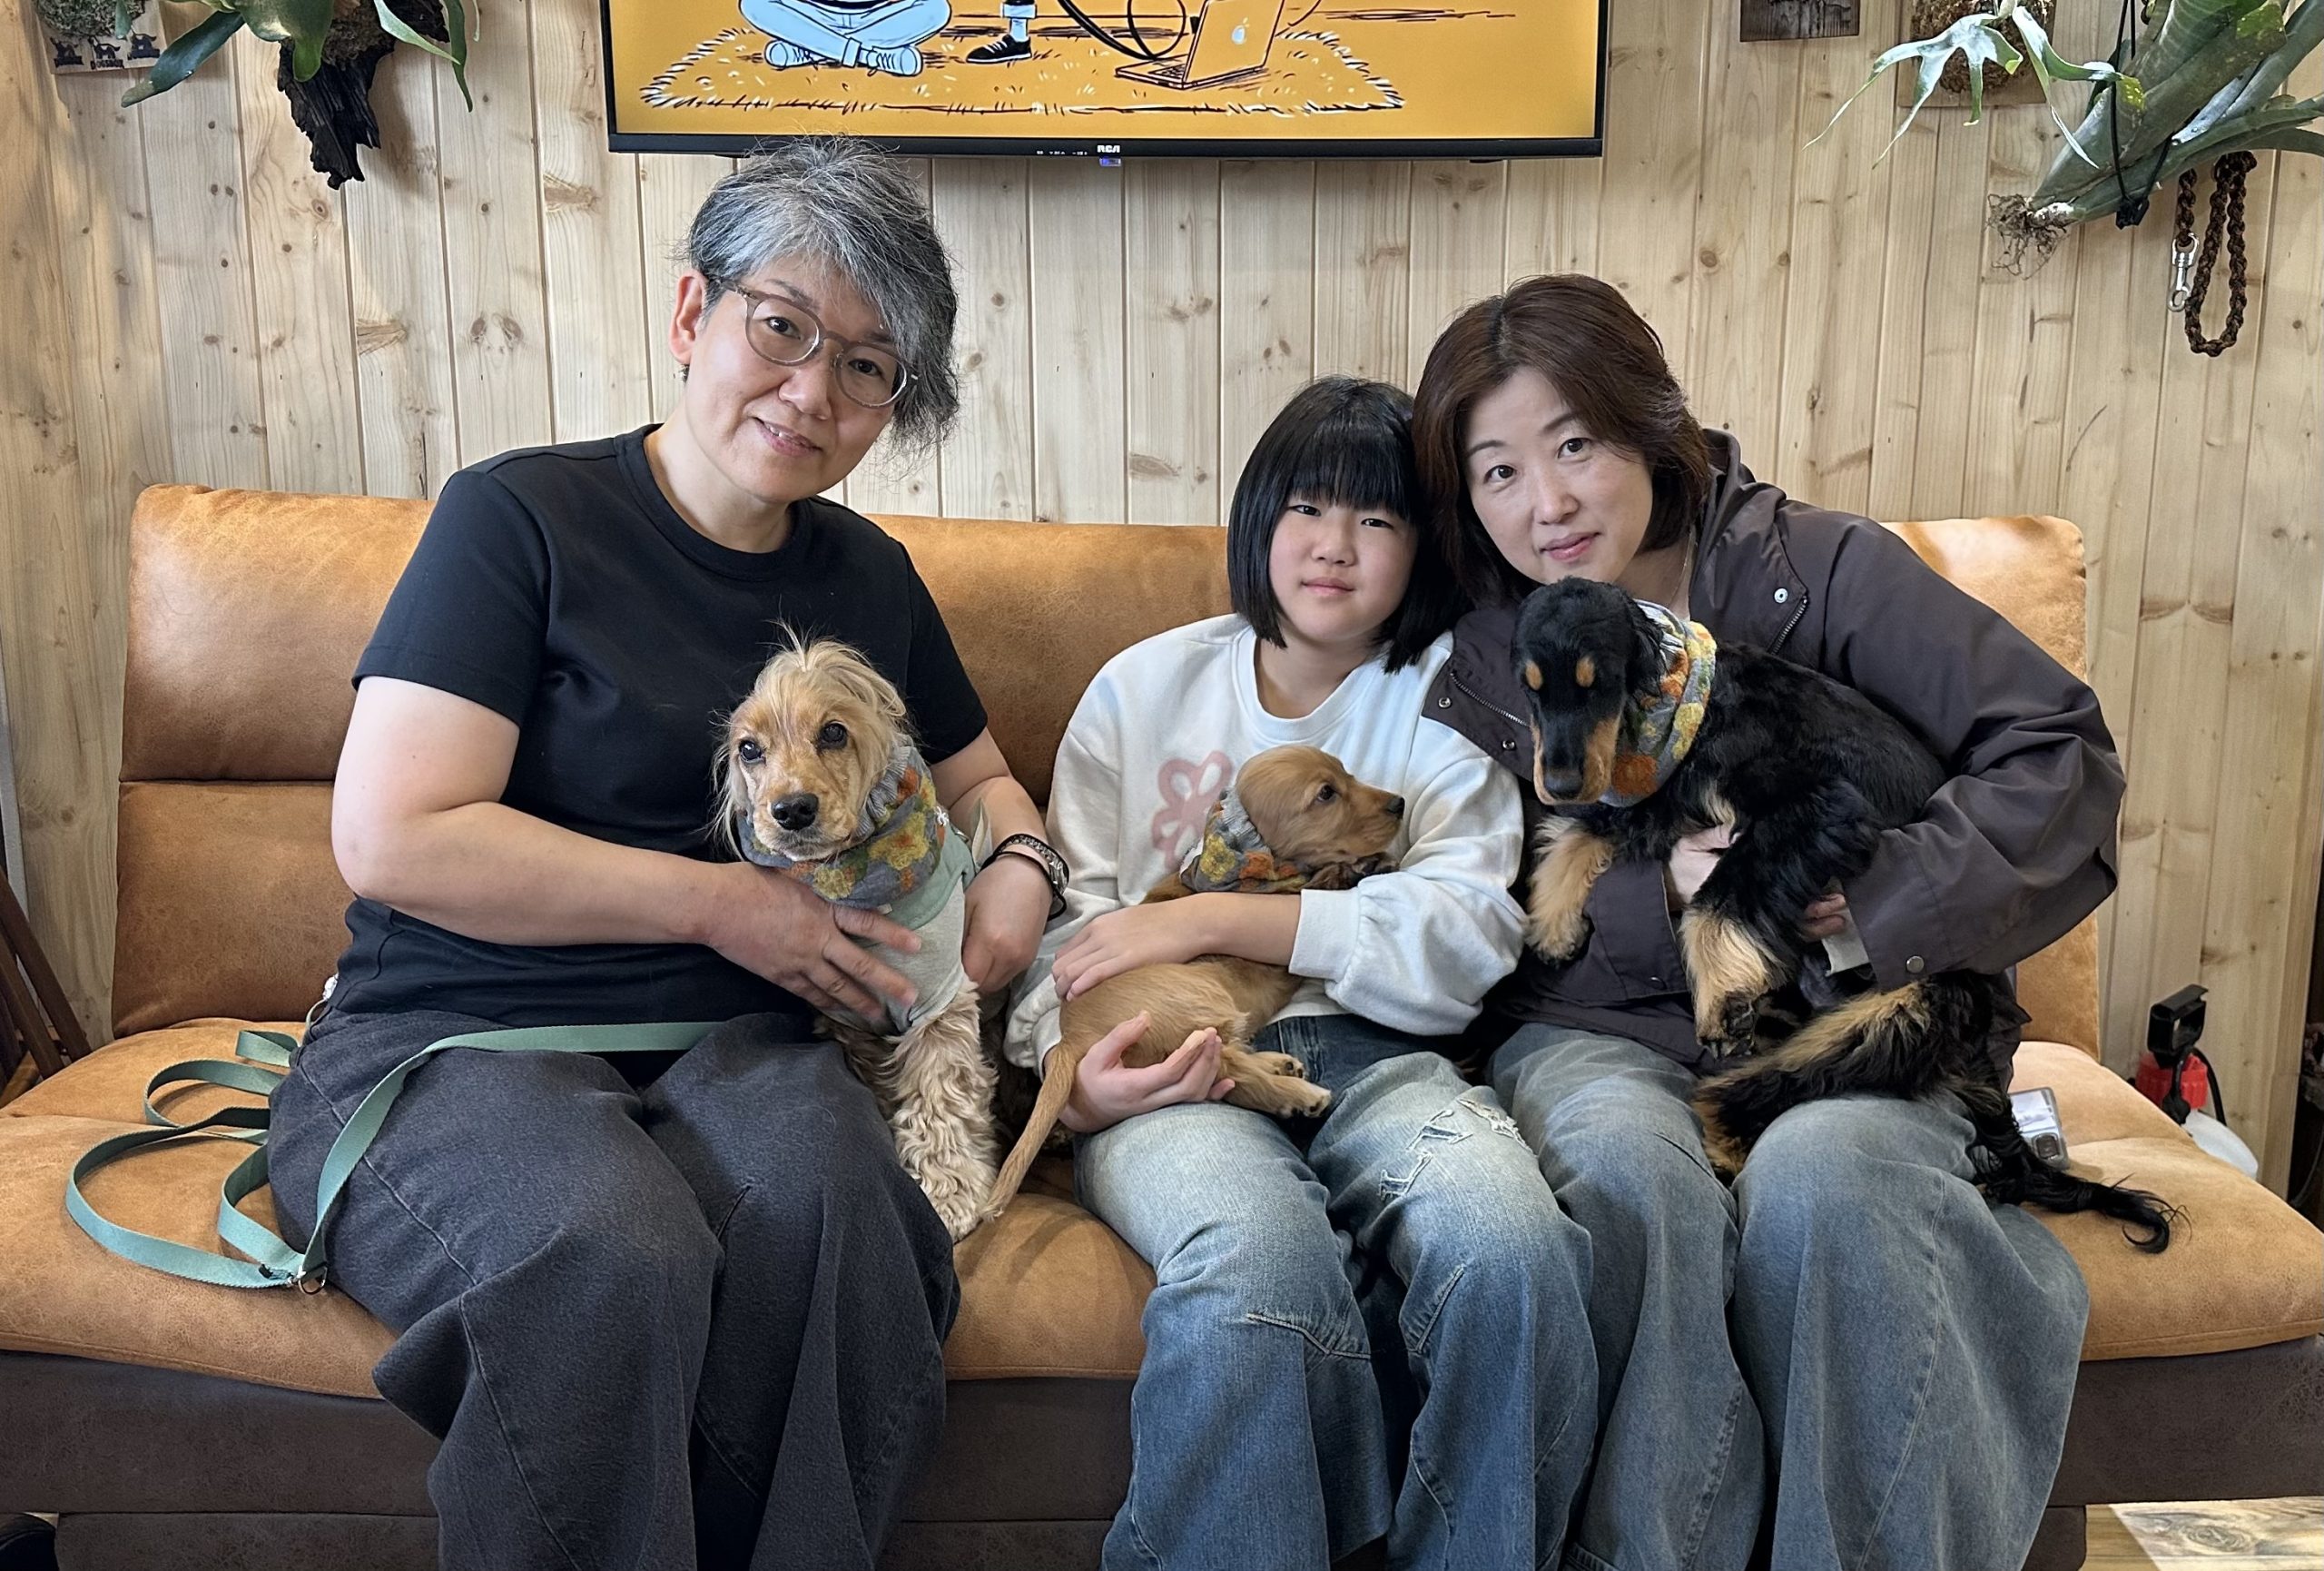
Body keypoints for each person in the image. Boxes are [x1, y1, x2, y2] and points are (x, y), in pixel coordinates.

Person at [264, 139, 1062, 1571]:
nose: (814, 391)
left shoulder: (872, 579)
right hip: (464, 1034)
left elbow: (990, 783)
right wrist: (718, 907)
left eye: (868, 366)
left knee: (845, 1222)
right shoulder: (516, 520)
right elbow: (392, 834)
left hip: (748, 1049)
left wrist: (1018, 871)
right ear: (694, 310)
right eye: (784, 327)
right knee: (613, 1254)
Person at [1412, 273, 2113, 1571]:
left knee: (1834, 1181)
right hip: (1600, 1035)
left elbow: (2058, 756)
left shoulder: (1823, 572)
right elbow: (1478, 901)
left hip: (1857, 1016)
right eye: (1498, 471)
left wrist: (1854, 906)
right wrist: (1665, 895)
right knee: (1628, 1178)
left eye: (1575, 444)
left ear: (1649, 425)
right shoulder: (1487, 651)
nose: (1546, 503)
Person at [1004, 375, 1596, 1571]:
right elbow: (1066, 937)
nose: (1335, 546)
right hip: (1168, 1063)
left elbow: (1467, 938)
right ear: (1258, 519)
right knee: (1258, 1264)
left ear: (1425, 546)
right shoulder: (1140, 687)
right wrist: (1073, 1085)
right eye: (1308, 510)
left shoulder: (1451, 702)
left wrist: (1221, 918)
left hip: (1385, 1050)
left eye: (1377, 520)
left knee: (1511, 1248)